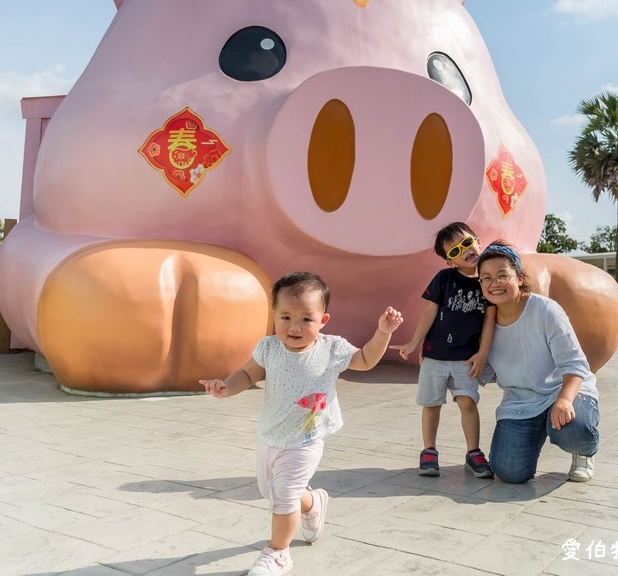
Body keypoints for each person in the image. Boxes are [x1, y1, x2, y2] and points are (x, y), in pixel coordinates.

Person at [200, 271, 403, 576]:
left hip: (306, 440)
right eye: (285, 317)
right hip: (270, 436)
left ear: (323, 320)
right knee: (271, 491)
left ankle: (277, 553)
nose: (294, 326)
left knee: (283, 495)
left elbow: (364, 360)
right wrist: (227, 386)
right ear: (273, 316)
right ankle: (314, 503)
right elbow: (248, 373)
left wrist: (383, 333)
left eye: (306, 319)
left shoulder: (331, 348)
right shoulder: (268, 347)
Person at [476, 241, 600, 484]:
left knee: (572, 430)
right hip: (521, 402)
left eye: (503, 275)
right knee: (509, 472)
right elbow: (483, 367)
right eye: (486, 278)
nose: (494, 284)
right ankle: (536, 431)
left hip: (562, 391)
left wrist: (564, 400)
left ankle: (583, 452)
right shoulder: (484, 324)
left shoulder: (545, 310)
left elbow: (576, 365)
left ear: (520, 278)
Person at [394, 222, 495, 479]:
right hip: (435, 356)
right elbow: (430, 311)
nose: (465, 250)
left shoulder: (488, 281)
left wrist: (483, 353)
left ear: (478, 241)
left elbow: (490, 320)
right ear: (450, 262)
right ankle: (429, 451)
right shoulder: (444, 278)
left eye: (467, 242)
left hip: (466, 358)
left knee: (468, 402)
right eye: (455, 251)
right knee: (431, 404)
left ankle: (473, 452)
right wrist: (415, 342)